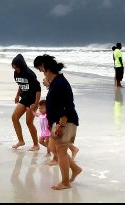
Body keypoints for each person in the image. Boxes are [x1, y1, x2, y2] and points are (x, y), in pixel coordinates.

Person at [42, 55, 81, 190]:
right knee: (53, 148)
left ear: (48, 71)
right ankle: (75, 169)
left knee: (61, 152)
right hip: (57, 122)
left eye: (42, 70)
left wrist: (61, 124)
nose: (42, 73)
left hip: (65, 122)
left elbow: (67, 106)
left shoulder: (60, 83)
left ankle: (65, 183)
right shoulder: (56, 83)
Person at [11, 54, 41, 151]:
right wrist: (17, 95)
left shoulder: (30, 74)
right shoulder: (16, 73)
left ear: (21, 65)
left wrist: (36, 104)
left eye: (15, 67)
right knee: (14, 117)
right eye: (13, 67)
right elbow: (21, 84)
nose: (14, 69)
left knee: (29, 122)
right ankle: (21, 141)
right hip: (24, 98)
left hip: (33, 99)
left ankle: (36, 145)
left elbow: (38, 89)